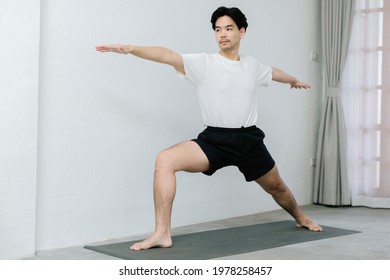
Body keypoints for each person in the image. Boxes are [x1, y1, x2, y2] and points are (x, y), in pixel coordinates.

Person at [96, 6, 323, 251]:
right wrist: (130, 49)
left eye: (228, 28)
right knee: (165, 160)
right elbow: (167, 55)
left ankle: (300, 217)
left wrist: (293, 80)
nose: (222, 34)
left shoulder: (252, 65)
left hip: (249, 140)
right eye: (217, 29)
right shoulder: (203, 63)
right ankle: (162, 233)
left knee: (277, 186)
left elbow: (273, 72)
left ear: (242, 32)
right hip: (215, 140)